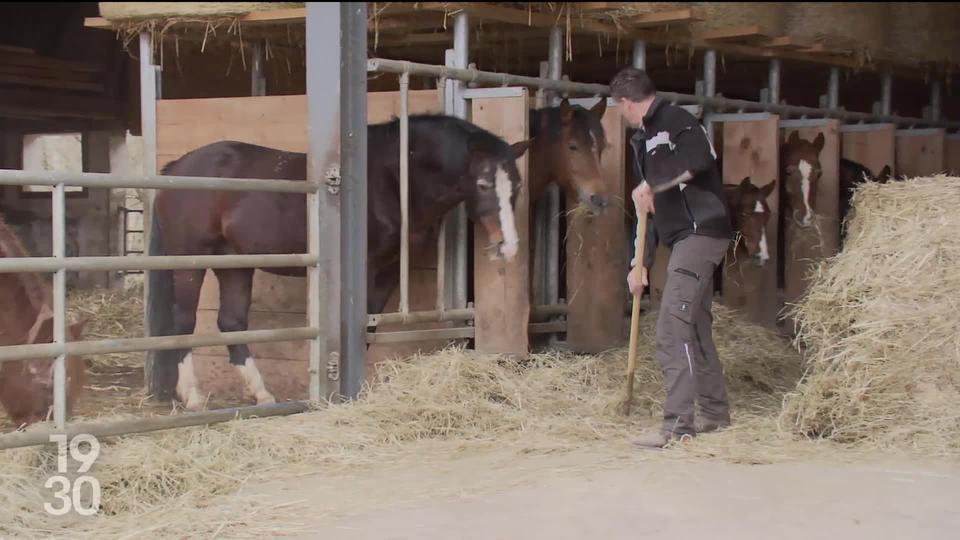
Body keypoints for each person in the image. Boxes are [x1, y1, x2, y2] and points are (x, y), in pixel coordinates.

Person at [609, 66, 736, 449]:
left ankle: (678, 425)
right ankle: (714, 413)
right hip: (681, 237)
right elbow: (647, 211)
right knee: (694, 326)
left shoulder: (676, 121)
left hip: (702, 232)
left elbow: (700, 159)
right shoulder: (641, 140)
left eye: (620, 107)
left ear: (627, 103)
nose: (621, 112)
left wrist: (651, 183)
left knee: (670, 327)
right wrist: (639, 263)